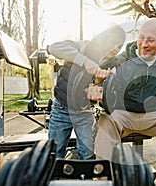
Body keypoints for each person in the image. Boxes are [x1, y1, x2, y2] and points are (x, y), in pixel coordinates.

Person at [88, 18, 156, 185]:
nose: (144, 44)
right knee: (104, 121)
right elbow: (93, 86)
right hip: (120, 115)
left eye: (151, 40)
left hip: (150, 117)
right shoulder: (119, 61)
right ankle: (103, 182)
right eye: (141, 38)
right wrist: (94, 88)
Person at [47, 24, 125, 160]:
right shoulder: (83, 47)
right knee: (54, 155)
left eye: (119, 46)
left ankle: (86, 180)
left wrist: (99, 82)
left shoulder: (114, 66)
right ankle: (53, 180)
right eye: (113, 43)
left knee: (87, 154)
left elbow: (108, 99)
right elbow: (54, 48)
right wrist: (85, 61)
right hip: (61, 109)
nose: (115, 48)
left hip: (85, 112)